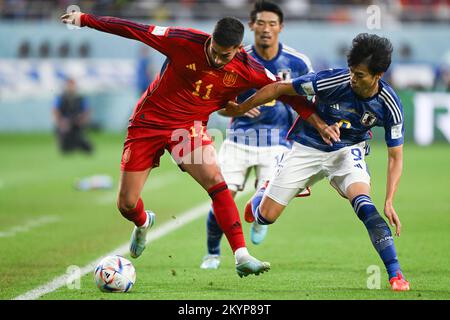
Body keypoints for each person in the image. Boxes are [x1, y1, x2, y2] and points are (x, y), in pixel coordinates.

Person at [60, 11, 340, 277]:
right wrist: (85, 19)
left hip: (187, 130)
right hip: (148, 124)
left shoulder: (247, 68)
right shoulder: (182, 40)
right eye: (214, 51)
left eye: (225, 55)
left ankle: (241, 256)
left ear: (238, 49)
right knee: (126, 204)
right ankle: (143, 222)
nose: (218, 60)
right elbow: (134, 30)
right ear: (209, 40)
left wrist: (319, 124)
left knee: (217, 183)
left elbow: (286, 93)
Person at [232, 33, 410, 290]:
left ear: (378, 76)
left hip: (347, 151)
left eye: (360, 75)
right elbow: (280, 89)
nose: (353, 78)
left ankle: (396, 274)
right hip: (308, 147)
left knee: (365, 205)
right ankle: (264, 192)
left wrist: (390, 199)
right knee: (265, 217)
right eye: (352, 71)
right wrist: (239, 108)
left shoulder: (389, 104)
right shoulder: (332, 80)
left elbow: (396, 156)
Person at [200, 0, 313, 270]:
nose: (266, 29)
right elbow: (214, 97)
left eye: (272, 24)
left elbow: (310, 101)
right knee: (222, 198)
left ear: (281, 27)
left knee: (268, 197)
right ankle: (212, 253)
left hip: (278, 142)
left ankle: (260, 219)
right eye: (260, 23)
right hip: (239, 139)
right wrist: (234, 108)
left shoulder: (297, 62)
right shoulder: (236, 57)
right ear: (251, 25)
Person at [53, 78, 93, 154]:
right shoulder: (61, 98)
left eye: (72, 85)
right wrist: (60, 121)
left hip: (77, 124)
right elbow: (55, 110)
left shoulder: (81, 98)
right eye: (69, 85)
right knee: (66, 149)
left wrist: (82, 120)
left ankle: (78, 144)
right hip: (65, 124)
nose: (71, 87)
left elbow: (87, 111)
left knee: (87, 147)